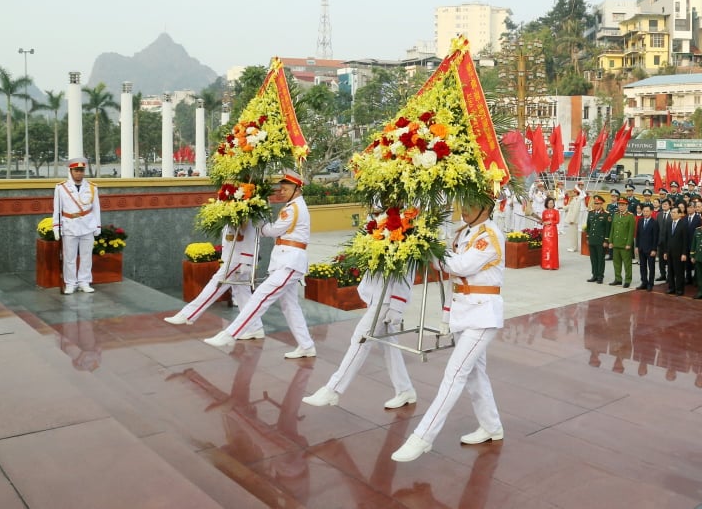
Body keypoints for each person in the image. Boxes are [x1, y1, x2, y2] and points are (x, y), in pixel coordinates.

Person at [391, 199, 505, 462]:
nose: (463, 208)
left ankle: (422, 436)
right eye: (462, 203)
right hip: (463, 310)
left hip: (482, 313)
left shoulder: (489, 235)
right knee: (476, 374)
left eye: (470, 204)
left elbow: (460, 266)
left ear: (486, 208)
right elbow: (444, 264)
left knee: (454, 374)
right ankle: (491, 426)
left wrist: (431, 249)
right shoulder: (463, 232)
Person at [203, 170, 315, 358]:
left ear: (297, 189)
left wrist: (257, 219)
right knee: (289, 306)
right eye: (281, 188)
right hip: (285, 260)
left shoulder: (293, 208)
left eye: (286, 188)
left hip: (290, 261)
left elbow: (272, 230)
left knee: (261, 296)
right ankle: (306, 345)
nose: (282, 191)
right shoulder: (293, 206)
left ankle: (231, 333)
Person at [302, 269, 417, 409]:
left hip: (388, 299)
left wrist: (397, 307)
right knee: (388, 344)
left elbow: (407, 268)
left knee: (361, 339)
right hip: (380, 294)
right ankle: (405, 390)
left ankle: (333, 389)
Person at [164, 220, 264, 339]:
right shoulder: (235, 203)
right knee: (242, 293)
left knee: (217, 284)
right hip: (233, 255)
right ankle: (255, 327)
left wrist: (247, 259)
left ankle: (188, 314)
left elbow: (252, 233)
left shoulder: (252, 205)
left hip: (239, 258)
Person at [52, 157, 102, 294]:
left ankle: (84, 282)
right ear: (71, 171)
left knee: (86, 256)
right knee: (69, 258)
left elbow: (96, 208)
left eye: (81, 170)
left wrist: (98, 226)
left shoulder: (92, 188)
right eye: (76, 170)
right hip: (69, 226)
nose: (79, 173)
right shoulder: (61, 188)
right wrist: (56, 227)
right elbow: (57, 209)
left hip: (88, 225)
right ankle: (70, 283)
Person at [660, 206, 690, 296]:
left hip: (679, 252)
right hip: (669, 252)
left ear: (680, 214)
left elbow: (685, 240)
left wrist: (684, 253)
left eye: (674, 212)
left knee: (679, 272)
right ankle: (671, 288)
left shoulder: (684, 225)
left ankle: (679, 289)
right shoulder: (669, 224)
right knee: (671, 271)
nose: (672, 214)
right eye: (671, 212)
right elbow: (666, 239)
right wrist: (665, 251)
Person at [607, 197, 635, 288]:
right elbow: (612, 229)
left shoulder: (630, 216)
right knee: (616, 263)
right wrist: (610, 241)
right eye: (619, 205)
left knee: (627, 264)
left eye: (623, 205)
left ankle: (628, 280)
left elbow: (631, 232)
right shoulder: (615, 214)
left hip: (624, 244)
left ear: (627, 205)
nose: (621, 207)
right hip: (616, 243)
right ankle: (618, 279)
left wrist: (628, 244)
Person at [585, 195, 611, 284]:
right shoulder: (591, 213)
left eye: (598, 204)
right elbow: (588, 227)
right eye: (595, 203)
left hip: (601, 241)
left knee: (600, 259)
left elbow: (608, 229)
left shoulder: (606, 214)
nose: (596, 205)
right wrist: (588, 237)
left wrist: (606, 240)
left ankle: (600, 276)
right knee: (593, 258)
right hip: (592, 239)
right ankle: (594, 275)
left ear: (602, 204)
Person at [634, 204, 659, 291]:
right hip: (641, 248)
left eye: (647, 211)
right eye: (644, 211)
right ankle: (644, 282)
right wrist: (637, 246)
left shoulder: (654, 222)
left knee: (651, 267)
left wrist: (654, 249)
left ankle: (650, 284)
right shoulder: (640, 221)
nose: (645, 213)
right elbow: (638, 234)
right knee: (642, 266)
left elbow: (655, 237)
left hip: (650, 249)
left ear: (651, 212)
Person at [540, 197, 560, 270]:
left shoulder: (556, 212)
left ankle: (553, 264)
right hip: (545, 231)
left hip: (553, 231)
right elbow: (543, 221)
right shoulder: (544, 212)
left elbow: (557, 221)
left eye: (552, 203)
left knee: (553, 247)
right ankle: (546, 264)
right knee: (546, 248)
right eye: (549, 203)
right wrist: (541, 222)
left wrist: (550, 222)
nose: (551, 204)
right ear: (546, 204)